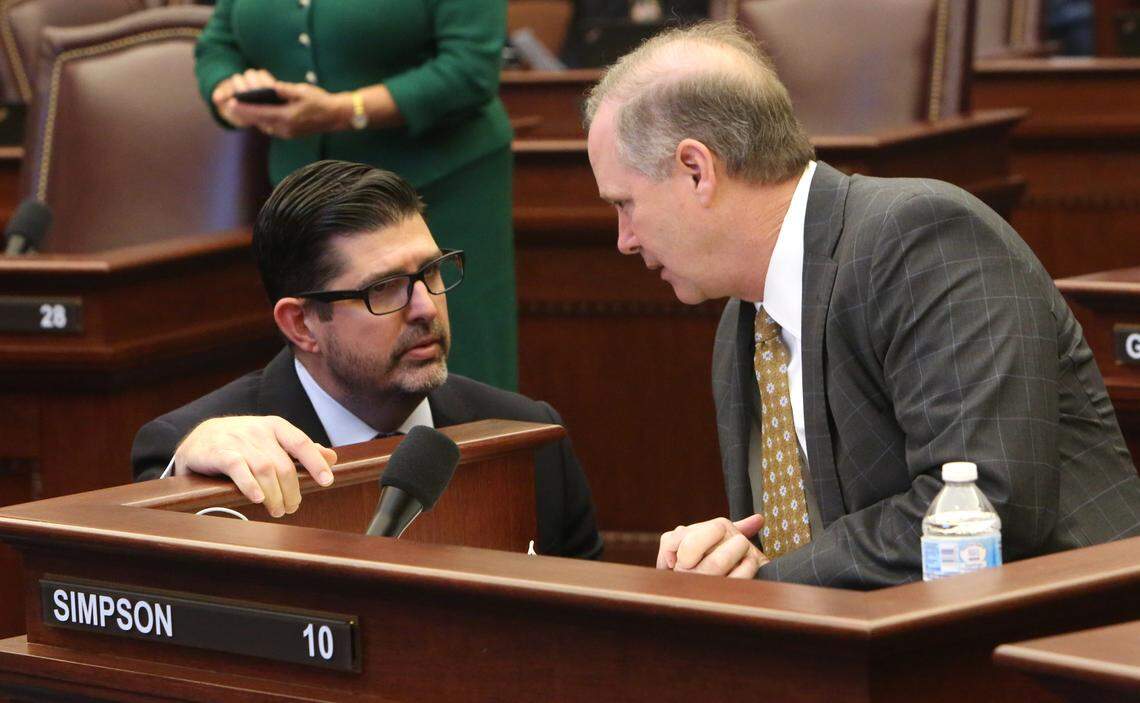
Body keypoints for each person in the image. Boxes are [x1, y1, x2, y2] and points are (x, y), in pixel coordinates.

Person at [583, 22, 1140, 588]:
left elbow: (985, 507)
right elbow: (809, 534)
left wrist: (770, 581)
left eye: (625, 203)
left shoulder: (920, 237)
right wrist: (729, 553)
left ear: (696, 170)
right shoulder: (745, 319)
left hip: (1067, 638)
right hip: (880, 651)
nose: (624, 238)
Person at [132, 160, 602, 560]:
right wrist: (182, 474)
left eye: (432, 271)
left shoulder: (527, 434)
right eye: (384, 288)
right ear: (302, 324)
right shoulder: (202, 448)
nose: (425, 307)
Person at [194, 0, 518, 391]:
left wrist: (345, 110)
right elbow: (216, 46)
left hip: (438, 188)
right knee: (327, 364)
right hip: (310, 199)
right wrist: (229, 92)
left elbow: (470, 69)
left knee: (452, 365)